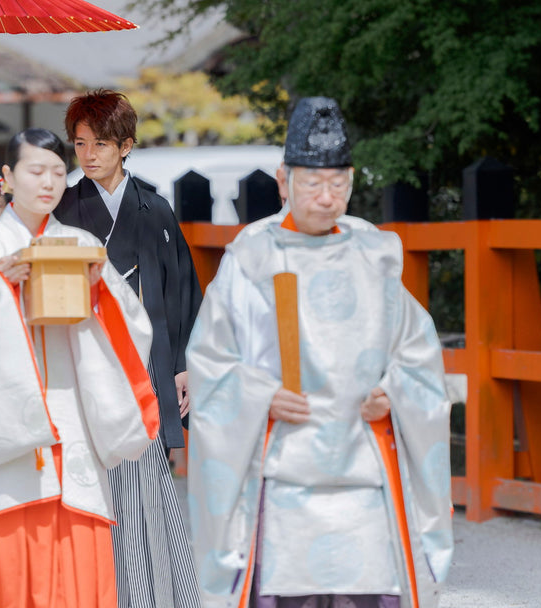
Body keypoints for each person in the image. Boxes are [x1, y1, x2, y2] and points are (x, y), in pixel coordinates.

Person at [186, 97, 453, 608]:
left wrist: (392, 390)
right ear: (284, 181)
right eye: (312, 184)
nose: (326, 197)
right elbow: (211, 359)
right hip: (282, 460)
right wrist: (260, 394)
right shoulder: (252, 255)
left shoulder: (375, 253)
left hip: (363, 464)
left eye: (337, 184)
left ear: (352, 181)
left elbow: (417, 350)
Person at [0, 128, 161, 608]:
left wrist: (101, 295)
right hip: (4, 428)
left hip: (70, 416)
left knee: (74, 550)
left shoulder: (80, 244)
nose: (49, 182)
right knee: (2, 563)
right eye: (36, 171)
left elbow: (132, 328)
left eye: (58, 171)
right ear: (9, 177)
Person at [54, 89, 201, 608]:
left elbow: (182, 290)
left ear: (126, 146)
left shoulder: (154, 210)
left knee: (148, 495)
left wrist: (181, 367)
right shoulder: (64, 209)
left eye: (100, 143)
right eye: (79, 144)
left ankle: (147, 592)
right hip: (87, 366)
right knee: (90, 488)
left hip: (145, 368)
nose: (88, 155)